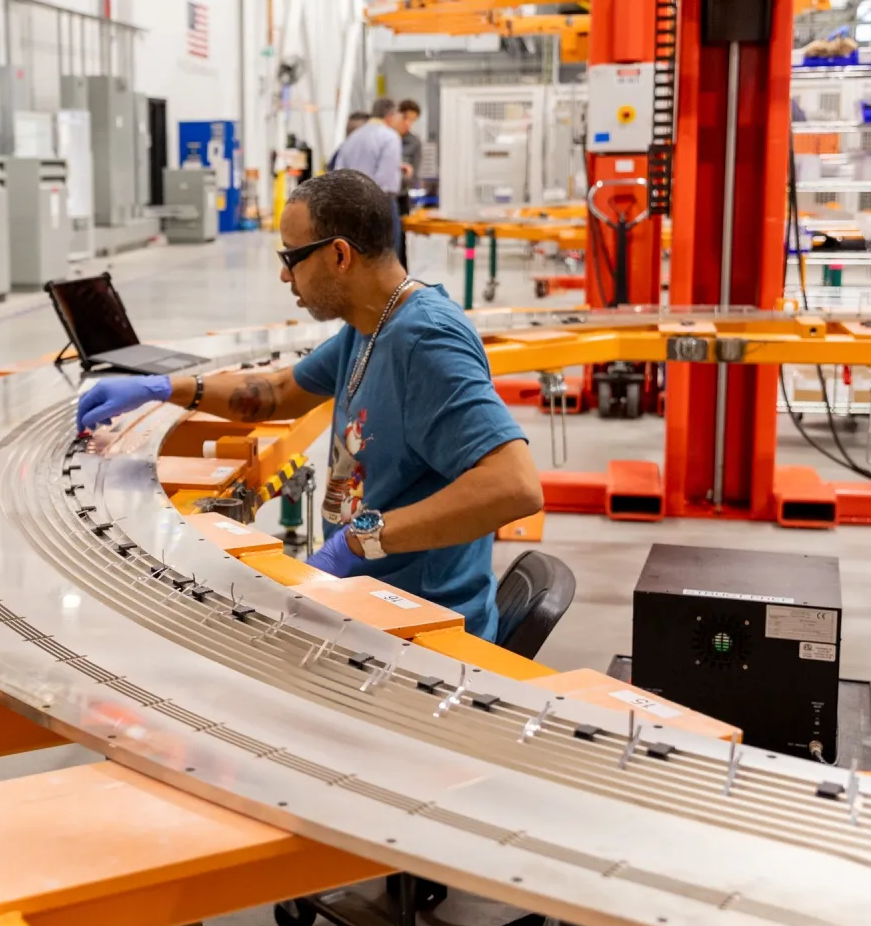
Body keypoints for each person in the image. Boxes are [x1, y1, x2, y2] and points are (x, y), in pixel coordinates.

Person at [77, 168, 542, 639]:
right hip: (361, 605)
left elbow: (514, 485)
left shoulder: (425, 340)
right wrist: (164, 388)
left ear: (339, 255)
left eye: (291, 257)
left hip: (416, 630)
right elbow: (277, 393)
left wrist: (360, 542)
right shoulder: (368, 326)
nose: (284, 274)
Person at [330, 98, 403, 196]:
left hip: (350, 198)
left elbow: (339, 170)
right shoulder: (390, 137)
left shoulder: (353, 136)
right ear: (391, 116)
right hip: (378, 198)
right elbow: (386, 177)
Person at [395, 98, 423, 269]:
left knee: (399, 241)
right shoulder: (384, 138)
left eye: (412, 120)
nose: (408, 123)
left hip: (400, 197)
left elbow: (414, 173)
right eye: (406, 118)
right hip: (379, 195)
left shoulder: (414, 143)